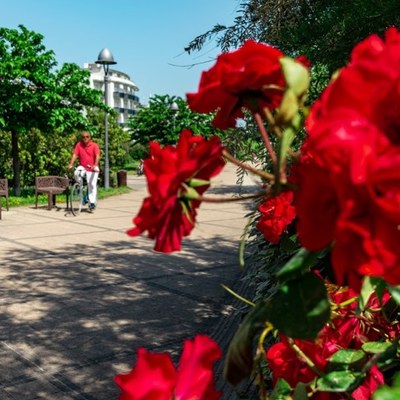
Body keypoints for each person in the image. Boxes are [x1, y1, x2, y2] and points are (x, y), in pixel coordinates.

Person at [67, 131, 100, 211]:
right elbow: (75, 154)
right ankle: (79, 187)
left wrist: (95, 165)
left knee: (91, 184)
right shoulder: (79, 145)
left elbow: (97, 156)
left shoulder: (94, 145)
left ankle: (92, 202)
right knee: (76, 172)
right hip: (83, 167)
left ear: (90, 137)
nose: (85, 138)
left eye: (87, 136)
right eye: (83, 137)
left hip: (92, 167)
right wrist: (71, 164)